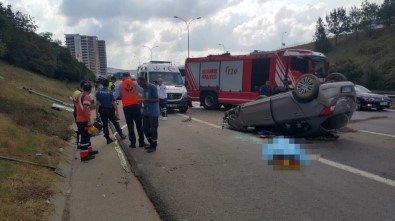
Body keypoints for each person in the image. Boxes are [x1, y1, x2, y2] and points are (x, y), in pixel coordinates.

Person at [113, 72, 148, 148]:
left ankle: (133, 143)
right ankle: (141, 142)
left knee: (130, 125)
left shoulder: (120, 85)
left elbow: (114, 96)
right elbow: (143, 91)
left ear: (123, 77)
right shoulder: (134, 84)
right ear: (129, 76)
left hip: (127, 107)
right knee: (139, 125)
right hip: (136, 106)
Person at [96, 78, 127, 144]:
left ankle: (107, 138)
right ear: (108, 84)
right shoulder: (110, 93)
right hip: (110, 110)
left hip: (102, 110)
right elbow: (114, 103)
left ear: (102, 84)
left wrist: (96, 113)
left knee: (105, 125)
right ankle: (121, 135)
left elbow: (98, 103)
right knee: (115, 122)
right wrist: (117, 112)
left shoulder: (98, 93)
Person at [75, 82, 99, 161]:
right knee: (85, 137)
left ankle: (89, 151)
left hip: (79, 119)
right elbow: (85, 108)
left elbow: (75, 103)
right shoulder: (86, 96)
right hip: (84, 120)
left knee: (87, 136)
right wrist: (88, 121)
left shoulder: (78, 95)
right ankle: (84, 156)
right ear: (90, 90)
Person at [137, 77, 160, 153]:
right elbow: (144, 99)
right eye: (139, 84)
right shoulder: (143, 89)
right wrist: (141, 102)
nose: (140, 86)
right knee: (145, 128)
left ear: (144, 81)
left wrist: (145, 100)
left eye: (140, 84)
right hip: (146, 112)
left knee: (153, 129)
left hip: (153, 112)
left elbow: (157, 99)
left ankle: (154, 145)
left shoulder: (152, 87)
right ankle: (151, 143)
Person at [72, 80, 87, 148]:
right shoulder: (81, 93)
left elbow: (74, 102)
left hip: (76, 112)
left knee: (80, 128)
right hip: (80, 113)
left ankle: (79, 143)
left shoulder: (76, 92)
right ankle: (80, 143)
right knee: (81, 129)